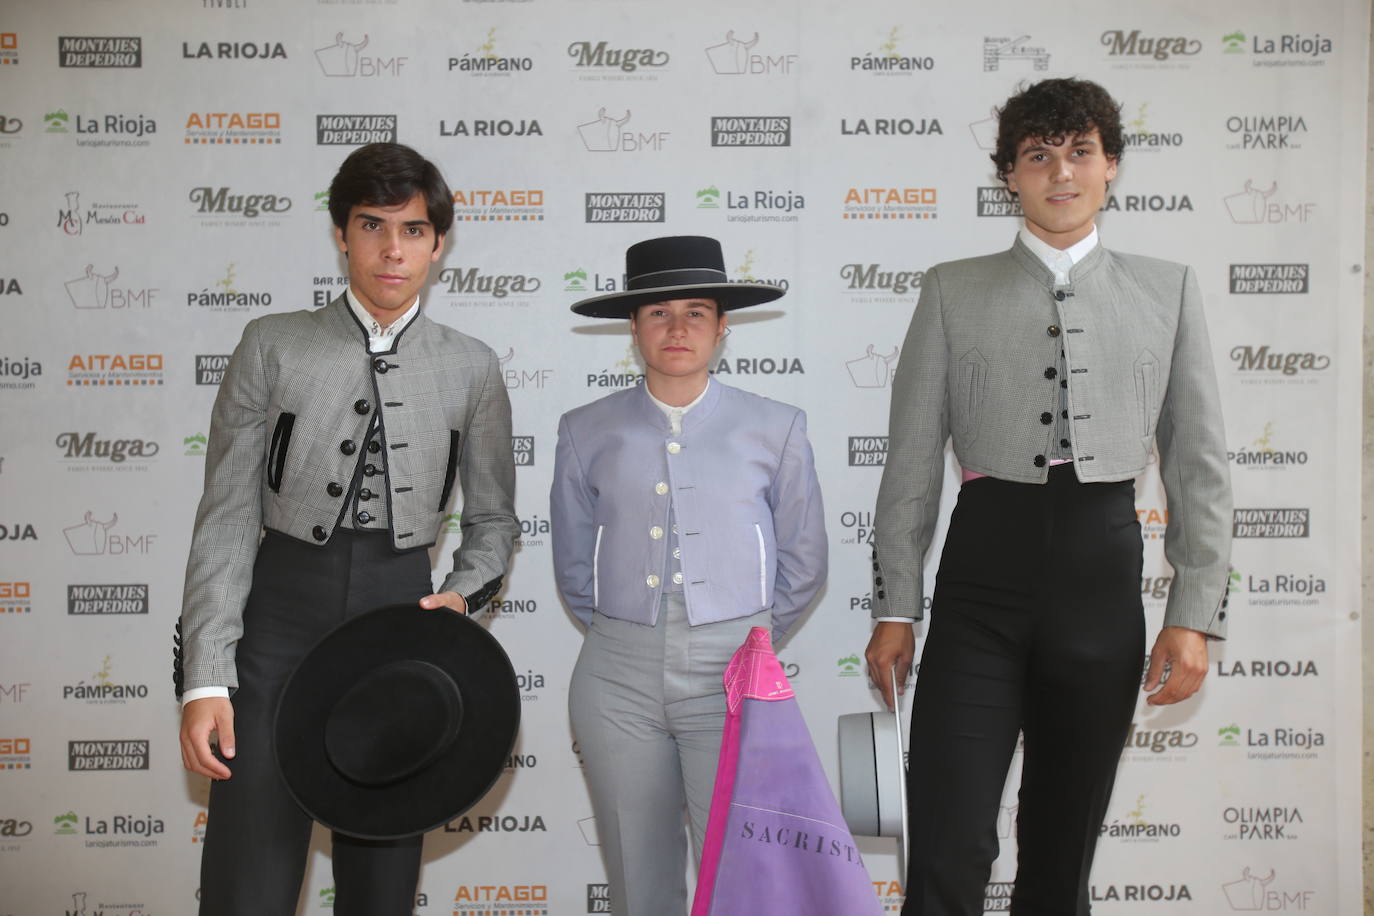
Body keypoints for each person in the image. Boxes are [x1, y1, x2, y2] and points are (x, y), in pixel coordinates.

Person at [864, 78, 1232, 915]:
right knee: (947, 841)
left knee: (1061, 855)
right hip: (980, 586)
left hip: (1101, 589)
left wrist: (1193, 612)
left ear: (1111, 168)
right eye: (1039, 156)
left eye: (1079, 152)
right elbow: (912, 459)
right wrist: (896, 605)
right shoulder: (951, 289)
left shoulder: (1166, 288)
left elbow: (1198, 463)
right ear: (1010, 178)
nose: (1060, 172)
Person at [175, 142, 518, 916]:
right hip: (276, 626)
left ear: (438, 242)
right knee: (246, 883)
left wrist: (460, 598)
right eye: (372, 226)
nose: (392, 249)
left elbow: (494, 521)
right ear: (341, 234)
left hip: (402, 633)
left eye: (414, 230)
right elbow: (226, 517)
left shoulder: (472, 367)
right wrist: (205, 677)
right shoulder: (272, 343)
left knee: (382, 890)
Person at [550, 235, 828, 915]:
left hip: (734, 674)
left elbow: (805, 560)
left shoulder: (775, 427)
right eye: (657, 313)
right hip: (617, 678)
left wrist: (751, 635)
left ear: (723, 324)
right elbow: (572, 562)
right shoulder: (586, 429)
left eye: (696, 312)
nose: (677, 329)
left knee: (739, 873)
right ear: (633, 326)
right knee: (637, 879)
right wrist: (624, 633)